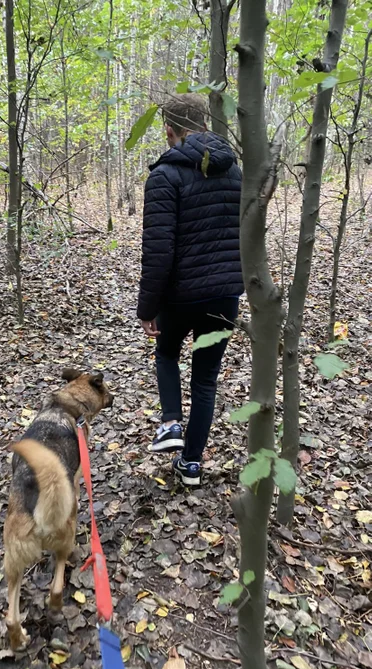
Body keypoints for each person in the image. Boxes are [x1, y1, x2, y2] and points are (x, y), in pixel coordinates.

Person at [137, 93, 243, 486]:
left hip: (180, 296)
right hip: (224, 296)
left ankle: (170, 425)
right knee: (205, 380)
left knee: (165, 354)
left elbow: (158, 251)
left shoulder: (164, 175)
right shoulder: (235, 172)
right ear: (203, 124)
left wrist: (146, 307)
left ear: (170, 131)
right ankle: (192, 464)